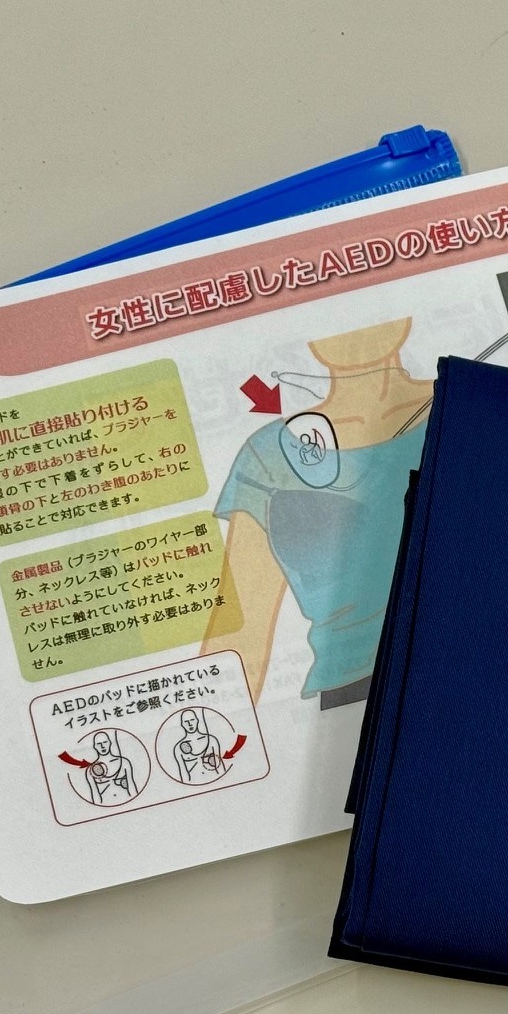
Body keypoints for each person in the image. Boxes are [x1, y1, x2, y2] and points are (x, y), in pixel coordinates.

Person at [206, 317, 433, 706]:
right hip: (357, 694)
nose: (355, 328)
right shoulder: (269, 454)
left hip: (492, 651)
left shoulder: (468, 403)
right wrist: (216, 725)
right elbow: (242, 630)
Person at [170, 708, 225, 783]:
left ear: (197, 720)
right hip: (195, 783)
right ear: (182, 724)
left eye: (192, 720)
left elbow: (220, 766)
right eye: (186, 722)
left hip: (216, 781)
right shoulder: (178, 748)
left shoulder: (211, 740)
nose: (190, 724)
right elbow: (183, 774)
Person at [84, 730, 137, 805]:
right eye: (99, 744)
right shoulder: (90, 770)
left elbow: (131, 786)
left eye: (105, 742)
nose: (102, 746)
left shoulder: (124, 762)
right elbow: (95, 794)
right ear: (95, 747)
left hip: (129, 804)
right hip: (106, 806)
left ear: (110, 743)